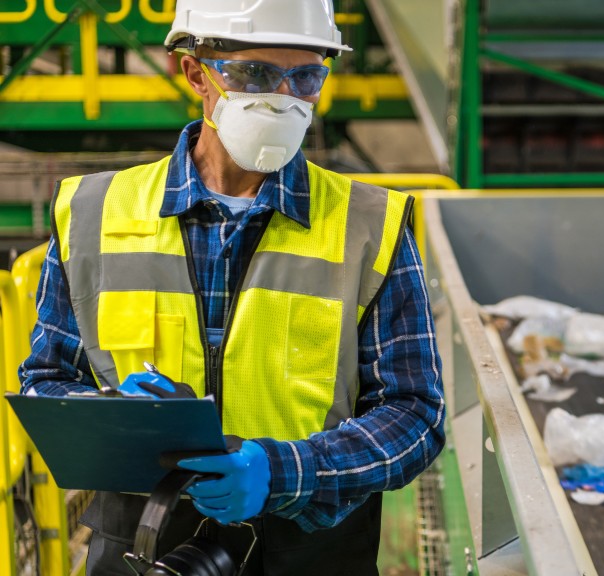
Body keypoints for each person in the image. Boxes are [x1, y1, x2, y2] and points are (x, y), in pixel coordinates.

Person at [18, 1, 445, 573]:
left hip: (309, 550)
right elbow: (46, 382)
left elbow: (416, 414)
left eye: (306, 76)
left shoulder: (369, 225)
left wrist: (284, 471)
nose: (283, 96)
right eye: (255, 74)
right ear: (196, 72)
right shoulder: (92, 213)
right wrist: (111, 412)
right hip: (141, 543)